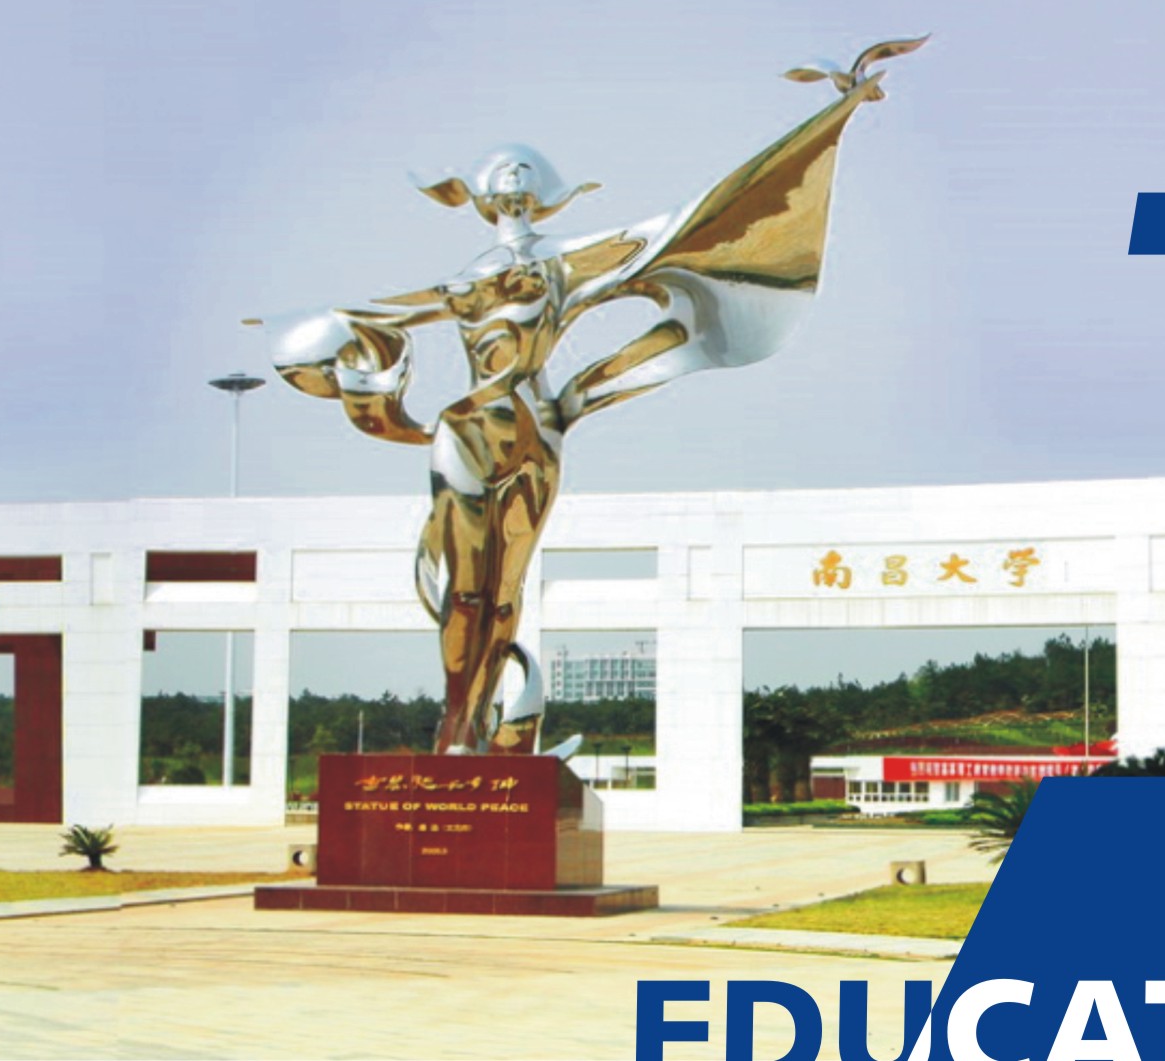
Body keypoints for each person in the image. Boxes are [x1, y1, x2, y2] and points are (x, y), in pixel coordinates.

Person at [267, 41, 923, 753]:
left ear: (542, 195)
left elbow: (690, 221)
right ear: (479, 198)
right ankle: (458, 725)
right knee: (465, 586)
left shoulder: (567, 261)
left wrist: (831, 119)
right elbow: (371, 315)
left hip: (538, 430)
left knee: (505, 590)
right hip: (472, 428)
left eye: (523, 187)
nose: (512, 196)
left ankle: (479, 722)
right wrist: (323, 344)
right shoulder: (465, 282)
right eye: (501, 189)